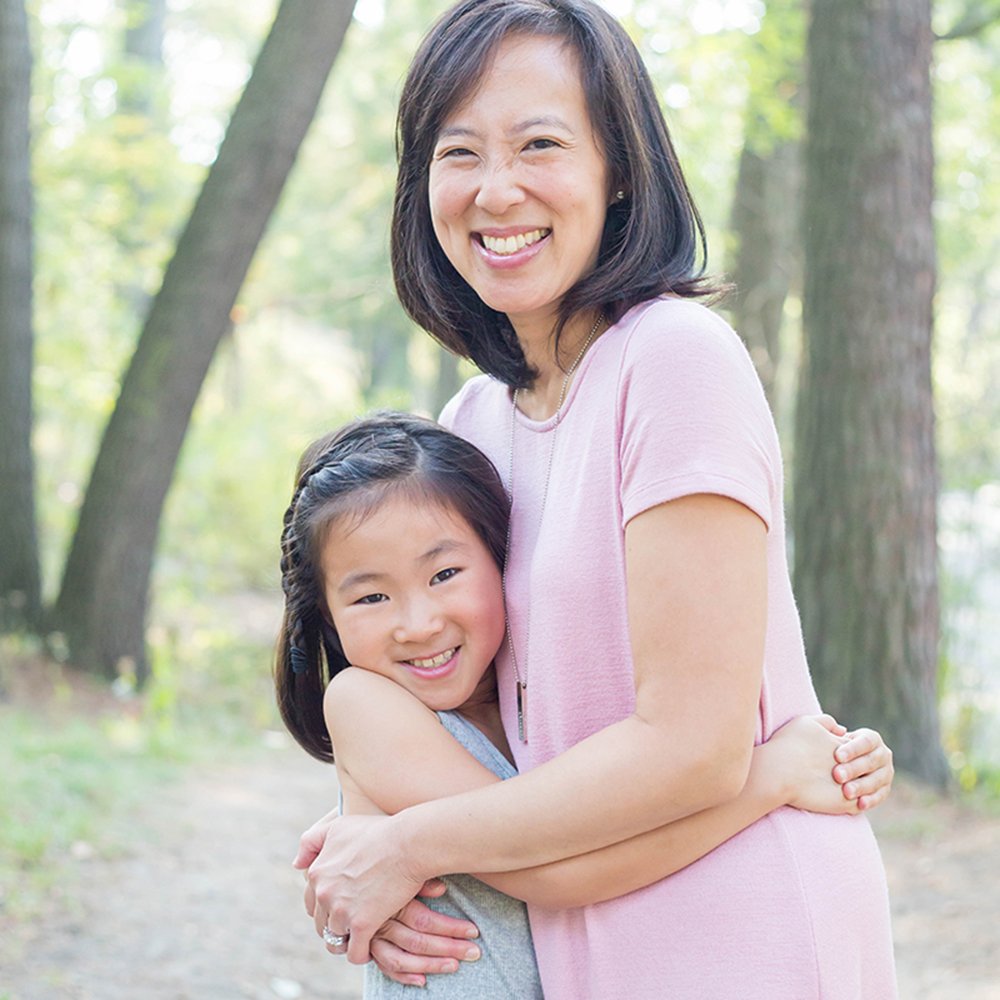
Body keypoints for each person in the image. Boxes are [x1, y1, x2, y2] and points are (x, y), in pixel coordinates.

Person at [294, 1, 899, 996]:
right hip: (578, 938)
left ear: (618, 168)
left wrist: (412, 844)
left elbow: (692, 747)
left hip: (744, 932)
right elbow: (479, 725)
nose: (497, 190)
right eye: (459, 152)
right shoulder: (475, 419)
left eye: (539, 144)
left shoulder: (673, 361)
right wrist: (363, 833)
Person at [277, 413, 893, 997]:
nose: (417, 623)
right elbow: (560, 879)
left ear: (503, 560)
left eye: (444, 575)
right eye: (371, 597)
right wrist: (775, 775)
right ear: (326, 615)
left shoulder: (533, 696)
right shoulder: (362, 701)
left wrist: (829, 761)